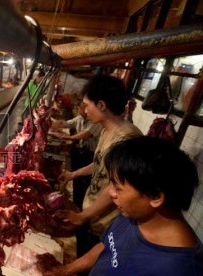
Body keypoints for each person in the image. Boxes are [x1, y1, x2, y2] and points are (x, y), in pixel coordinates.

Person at [45, 136, 203, 276]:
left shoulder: (180, 268)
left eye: (117, 187)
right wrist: (66, 270)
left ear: (155, 197)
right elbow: (106, 247)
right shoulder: (136, 214)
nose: (111, 193)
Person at [56, 75, 142, 261]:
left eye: (87, 105)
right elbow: (99, 163)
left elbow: (116, 187)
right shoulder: (106, 130)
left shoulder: (125, 139)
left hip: (108, 223)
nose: (85, 111)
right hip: (94, 215)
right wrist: (73, 174)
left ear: (101, 105)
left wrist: (83, 216)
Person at [50, 102, 103, 209]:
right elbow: (66, 123)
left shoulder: (96, 123)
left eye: (83, 108)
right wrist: (51, 124)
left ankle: (81, 207)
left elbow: (82, 135)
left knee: (84, 182)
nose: (81, 110)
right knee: (77, 180)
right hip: (79, 152)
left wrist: (65, 136)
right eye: (81, 108)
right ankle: (76, 203)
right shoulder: (79, 118)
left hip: (89, 155)